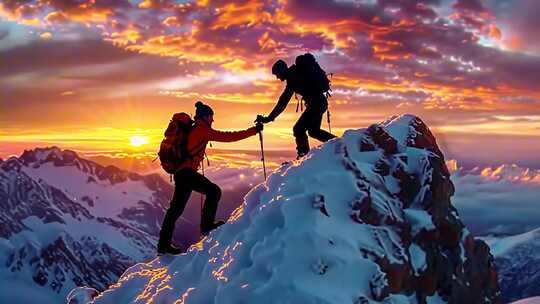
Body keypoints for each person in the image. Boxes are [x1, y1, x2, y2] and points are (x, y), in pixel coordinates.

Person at [158, 101, 262, 255]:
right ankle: (206, 226)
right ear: (205, 117)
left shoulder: (194, 130)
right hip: (186, 172)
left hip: (181, 173)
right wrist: (253, 130)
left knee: (175, 210)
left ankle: (163, 245)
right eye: (211, 117)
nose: (212, 120)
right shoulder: (202, 130)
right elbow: (228, 137)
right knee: (214, 191)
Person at [258, 58, 336, 158]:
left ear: (281, 70)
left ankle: (303, 156)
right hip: (319, 103)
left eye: (277, 74)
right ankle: (339, 143)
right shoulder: (295, 74)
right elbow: (283, 101)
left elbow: (283, 102)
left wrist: (269, 118)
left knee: (298, 129)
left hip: (316, 105)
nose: (277, 77)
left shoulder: (292, 78)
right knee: (314, 131)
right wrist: (269, 118)